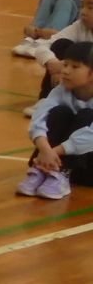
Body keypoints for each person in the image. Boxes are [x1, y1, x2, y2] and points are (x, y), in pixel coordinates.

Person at [20, 40, 93, 198]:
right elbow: (39, 119)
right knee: (59, 112)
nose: (65, 71)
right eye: (65, 64)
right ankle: (44, 169)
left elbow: (90, 137)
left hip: (88, 166)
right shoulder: (61, 91)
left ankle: (61, 172)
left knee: (87, 115)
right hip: (57, 157)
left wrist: (53, 152)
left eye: (75, 67)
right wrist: (45, 150)